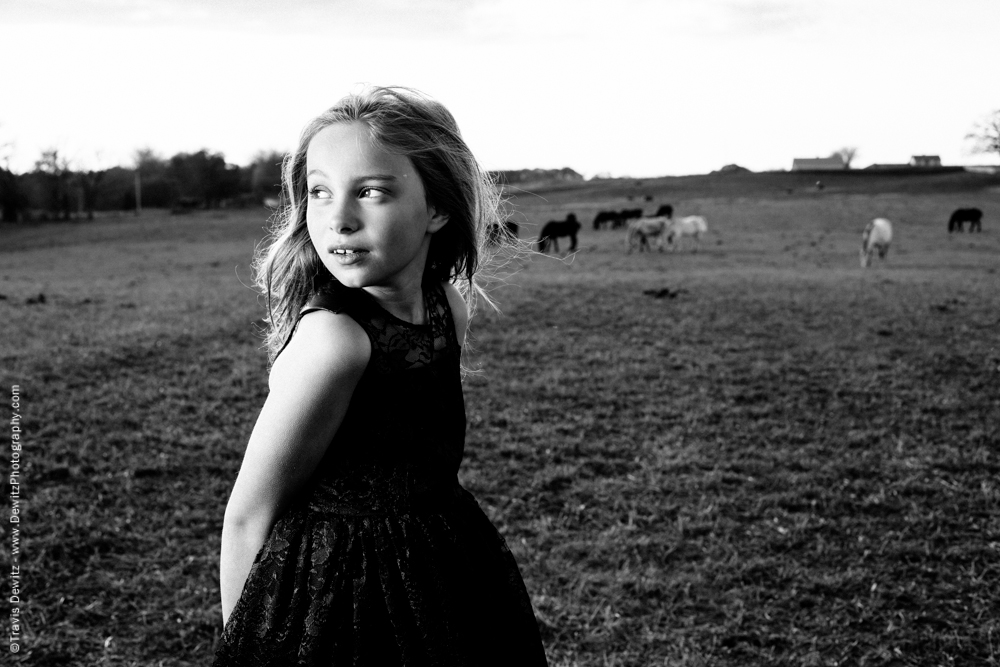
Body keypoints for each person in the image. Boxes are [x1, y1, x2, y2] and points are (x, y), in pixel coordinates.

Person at [213, 86, 548, 666]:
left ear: (437, 208)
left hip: (446, 564)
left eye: (370, 192)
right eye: (319, 192)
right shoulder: (335, 340)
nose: (338, 219)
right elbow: (248, 516)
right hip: (338, 592)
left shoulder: (447, 306)